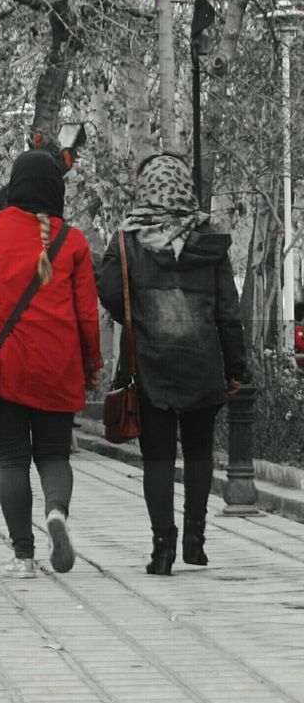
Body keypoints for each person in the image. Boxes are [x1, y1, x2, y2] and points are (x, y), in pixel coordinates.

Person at [98, 152, 250, 574]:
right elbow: (227, 313)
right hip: (202, 363)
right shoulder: (210, 241)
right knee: (200, 451)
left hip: (150, 364)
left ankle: (162, 548)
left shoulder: (128, 239)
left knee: (159, 457)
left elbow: (108, 290)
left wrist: (137, 315)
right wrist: (236, 369)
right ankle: (195, 542)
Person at [0, 149, 102, 578]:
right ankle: (56, 512)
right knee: (55, 455)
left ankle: (23, 555)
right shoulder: (72, 240)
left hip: (4, 367)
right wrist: (91, 363)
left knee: (13, 461)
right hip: (58, 366)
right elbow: (87, 314)